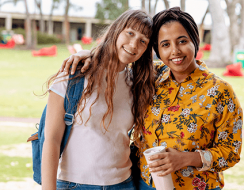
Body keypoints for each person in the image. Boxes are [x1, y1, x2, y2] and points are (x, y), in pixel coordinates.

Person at [60, 7, 243, 190]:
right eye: (165, 44)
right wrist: (87, 55)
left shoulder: (220, 91)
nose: (175, 51)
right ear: (157, 49)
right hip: (142, 183)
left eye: (182, 41)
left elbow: (231, 152)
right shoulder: (151, 77)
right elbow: (115, 64)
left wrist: (185, 159)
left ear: (194, 41)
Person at [42, 9, 156, 190]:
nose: (134, 44)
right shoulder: (74, 74)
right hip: (74, 184)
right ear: (116, 31)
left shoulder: (138, 82)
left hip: (123, 184)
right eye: (130, 33)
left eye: (143, 41)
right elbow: (52, 140)